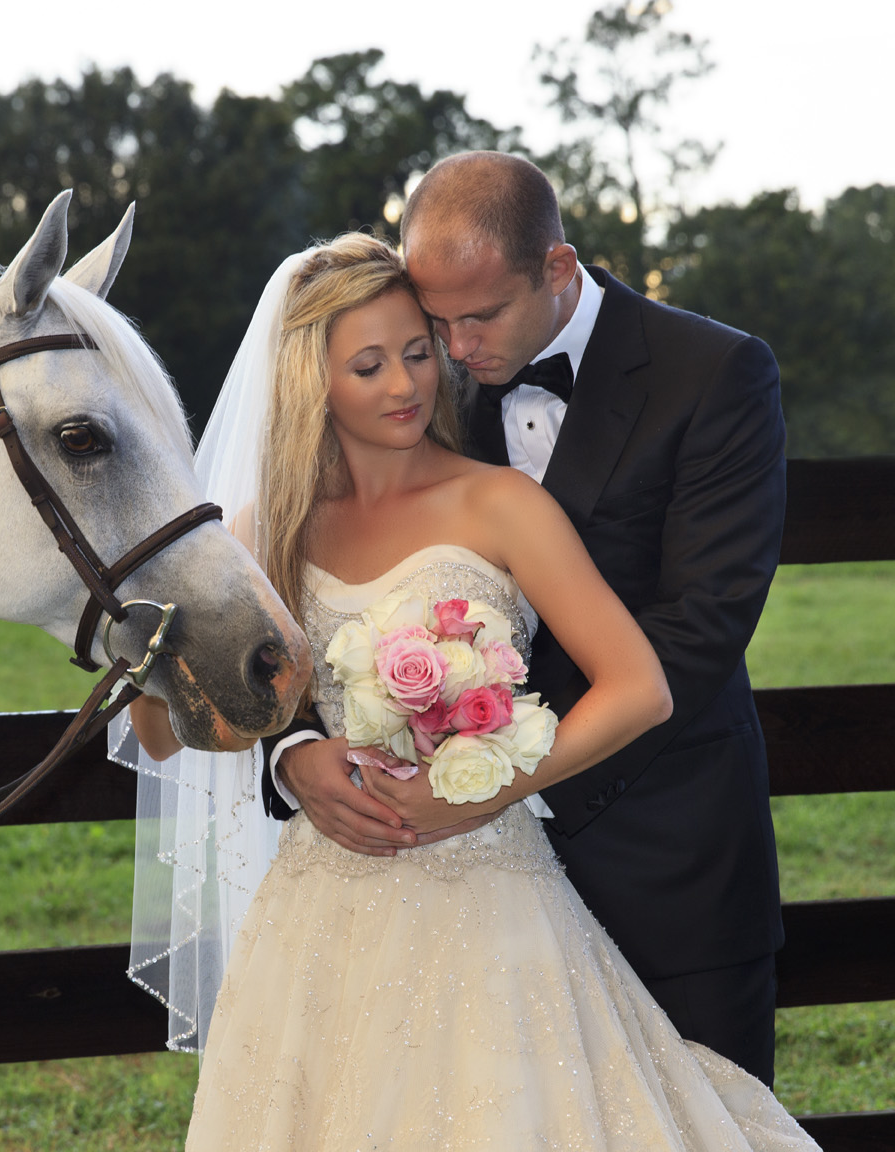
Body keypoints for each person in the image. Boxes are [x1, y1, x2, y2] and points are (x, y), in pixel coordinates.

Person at [123, 234, 815, 1149]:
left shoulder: (499, 502)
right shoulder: (266, 533)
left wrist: (483, 788)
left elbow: (642, 684)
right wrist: (288, 751)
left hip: (490, 888)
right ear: (309, 382)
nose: (408, 384)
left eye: (419, 352)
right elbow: (163, 728)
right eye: (370, 365)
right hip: (328, 904)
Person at [270, 152, 787, 1087]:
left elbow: (701, 627)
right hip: (455, 894)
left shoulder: (715, 374)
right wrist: (300, 748)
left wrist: (491, 779)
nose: (453, 352)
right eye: (437, 325)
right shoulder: (420, 379)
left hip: (664, 854)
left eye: (478, 318)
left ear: (558, 269)